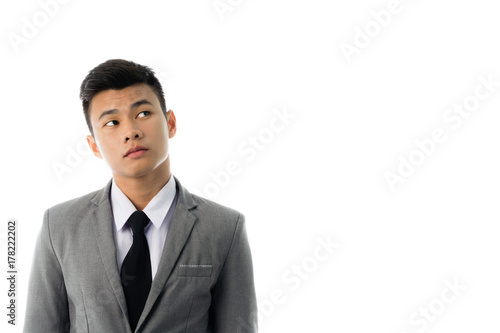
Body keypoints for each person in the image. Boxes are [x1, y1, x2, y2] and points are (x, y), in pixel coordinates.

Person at [24, 59, 258, 333]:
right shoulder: (59, 226)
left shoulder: (225, 228)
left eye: (143, 114)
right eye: (112, 122)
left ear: (170, 123)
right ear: (94, 145)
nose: (131, 131)